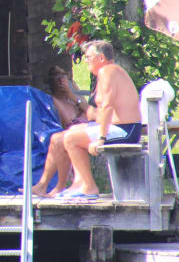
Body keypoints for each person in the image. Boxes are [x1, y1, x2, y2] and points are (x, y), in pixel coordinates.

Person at [60, 40, 142, 199]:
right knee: (72, 132)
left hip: (126, 131)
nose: (86, 60)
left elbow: (107, 107)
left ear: (101, 58)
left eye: (89, 57)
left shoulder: (107, 71)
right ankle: (81, 184)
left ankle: (89, 187)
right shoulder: (111, 71)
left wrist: (101, 139)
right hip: (125, 128)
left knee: (71, 138)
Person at [30, 66, 89, 197]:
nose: (61, 82)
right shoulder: (54, 102)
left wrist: (74, 94)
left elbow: (91, 113)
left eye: (64, 77)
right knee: (58, 140)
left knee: (61, 140)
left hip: (86, 132)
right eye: (58, 79)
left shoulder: (75, 99)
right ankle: (45, 186)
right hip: (72, 133)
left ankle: (49, 186)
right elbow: (70, 121)